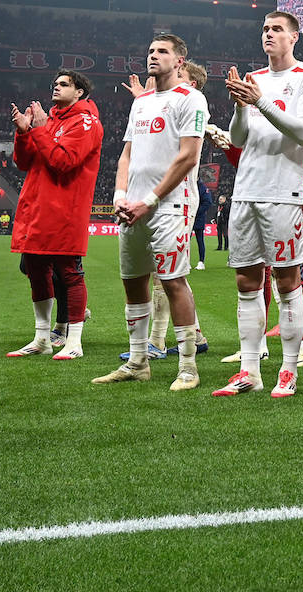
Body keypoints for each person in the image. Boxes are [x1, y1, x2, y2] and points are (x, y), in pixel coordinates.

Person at [213, 11, 303, 399]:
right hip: (246, 189)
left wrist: (260, 102)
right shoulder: (254, 80)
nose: (268, 34)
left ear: (294, 37)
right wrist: (240, 107)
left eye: (276, 29)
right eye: (264, 29)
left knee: (286, 280)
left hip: (287, 191)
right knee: (247, 282)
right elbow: (238, 139)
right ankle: (249, 370)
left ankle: (288, 370)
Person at [91, 33, 208, 391]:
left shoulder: (192, 98)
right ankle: (138, 362)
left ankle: (188, 367)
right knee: (133, 282)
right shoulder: (141, 103)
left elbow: (188, 156)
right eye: (151, 51)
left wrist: (150, 200)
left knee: (173, 281)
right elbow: (126, 154)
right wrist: (121, 195)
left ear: (179, 62)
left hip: (170, 205)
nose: (153, 56)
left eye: (162, 51)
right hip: (133, 207)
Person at [6, 70, 102, 361]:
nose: (56, 87)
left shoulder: (86, 122)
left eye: (64, 84)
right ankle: (42, 338)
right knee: (36, 272)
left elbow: (63, 161)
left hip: (64, 210)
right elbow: (23, 162)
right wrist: (24, 132)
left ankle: (74, 341)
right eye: (55, 84)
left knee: (70, 274)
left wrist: (38, 129)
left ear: (80, 92)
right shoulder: (48, 122)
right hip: (35, 207)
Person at [194, 178, 214, 271]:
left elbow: (208, 202)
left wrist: (196, 212)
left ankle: (201, 262)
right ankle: (185, 261)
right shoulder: (189, 185)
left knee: (200, 240)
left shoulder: (202, 187)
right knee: (185, 241)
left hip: (198, 218)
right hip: (188, 217)